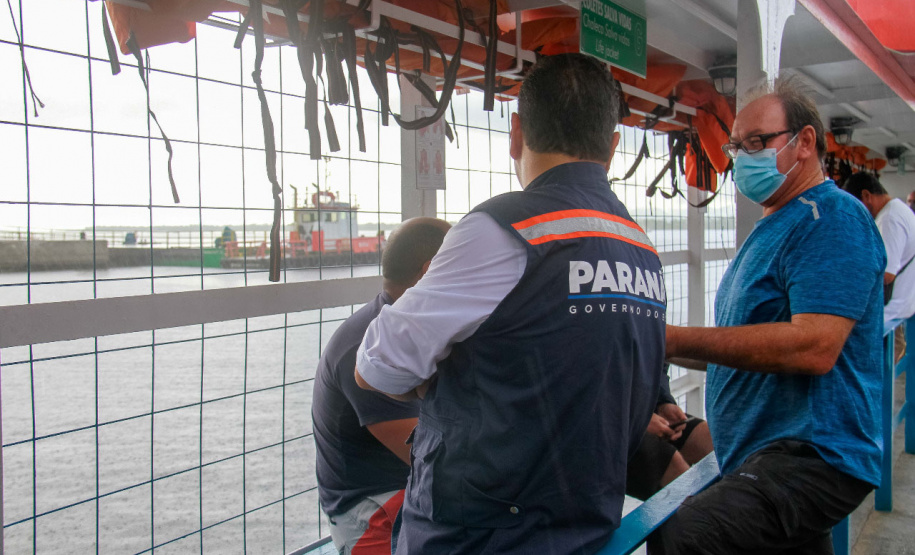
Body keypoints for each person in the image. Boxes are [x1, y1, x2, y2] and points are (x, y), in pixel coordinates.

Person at [355, 53, 666, 554]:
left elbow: (378, 368)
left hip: (476, 537)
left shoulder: (500, 229)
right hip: (587, 529)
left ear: (516, 133)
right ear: (612, 147)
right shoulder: (641, 250)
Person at [652, 77, 885, 554]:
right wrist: (657, 362)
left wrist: (672, 339)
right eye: (736, 147)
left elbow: (814, 346)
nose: (742, 157)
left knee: (685, 535)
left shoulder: (831, 218)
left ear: (804, 142)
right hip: (759, 451)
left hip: (811, 455)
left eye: (756, 143)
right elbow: (742, 346)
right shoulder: (772, 226)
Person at [312, 217, 451, 555]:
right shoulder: (368, 348)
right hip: (374, 507)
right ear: (429, 271)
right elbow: (430, 459)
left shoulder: (409, 326)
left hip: (408, 486)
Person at [842, 172, 915, 362]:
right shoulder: (898, 208)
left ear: (866, 196)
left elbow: (886, 274)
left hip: (889, 312)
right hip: (902, 304)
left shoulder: (889, 218)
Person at [626, 365, 713, 501]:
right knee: (675, 467)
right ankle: (702, 511)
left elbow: (658, 363)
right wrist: (637, 417)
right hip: (605, 422)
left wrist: (663, 401)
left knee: (711, 442)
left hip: (642, 410)